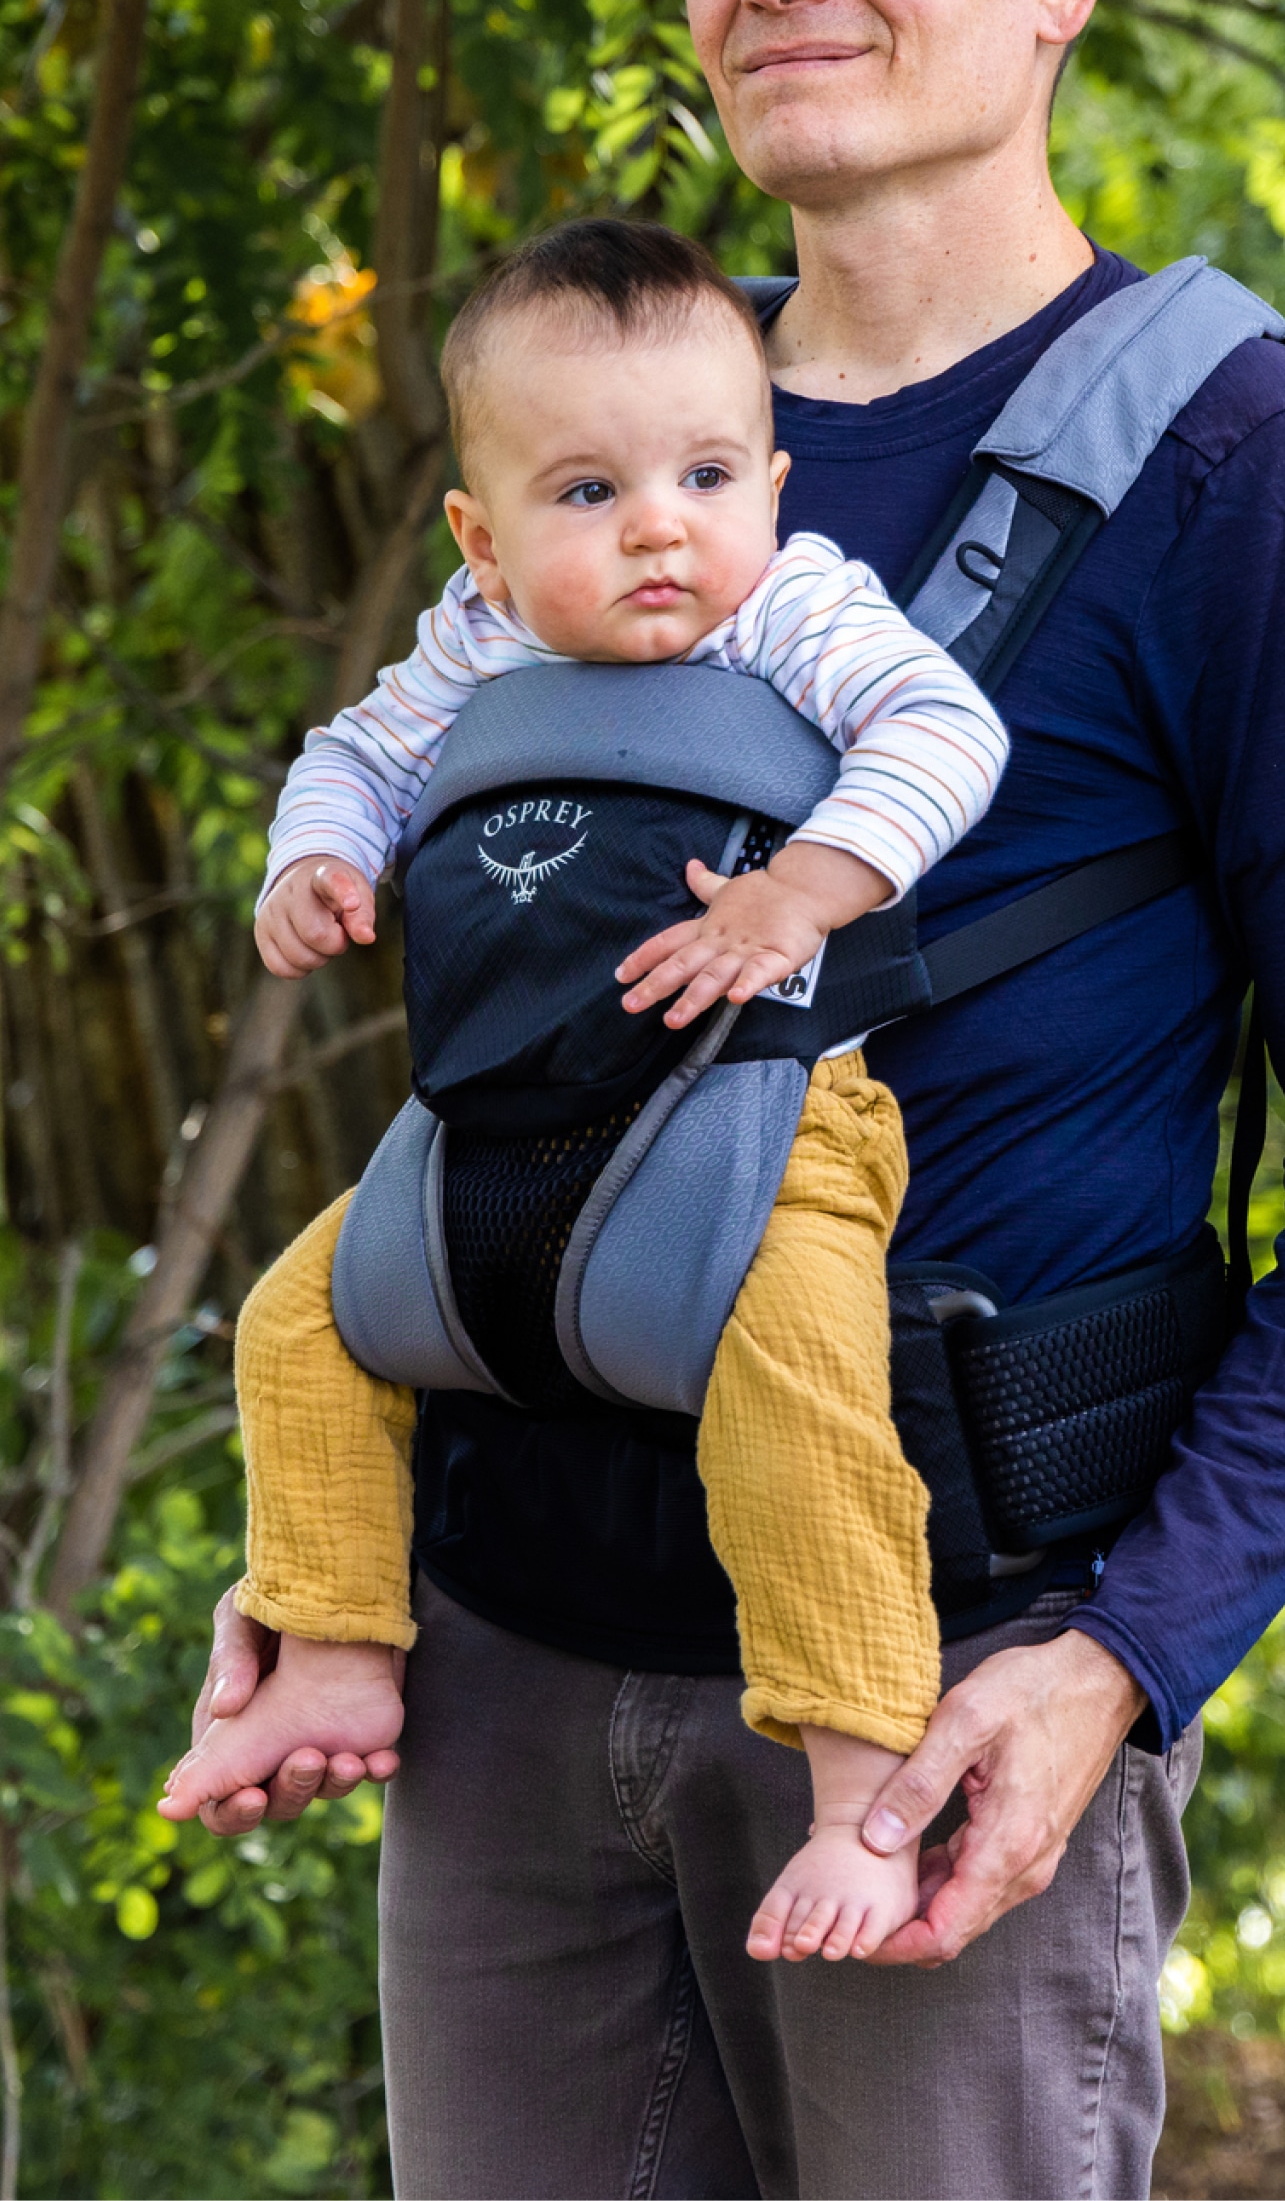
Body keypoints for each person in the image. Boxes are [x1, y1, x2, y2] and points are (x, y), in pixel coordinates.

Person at [178, 0, 1285, 2201]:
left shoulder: (1249, 473)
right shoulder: (610, 427)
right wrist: (327, 1557)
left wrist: (1120, 1665)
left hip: (938, 1698)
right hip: (503, 1670)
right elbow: (504, 1001)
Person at [159, 215, 1012, 1967]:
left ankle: (862, 1787)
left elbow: (947, 734)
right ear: (481, 536)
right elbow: (353, 755)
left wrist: (802, 893)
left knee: (801, 1403)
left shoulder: (791, 608)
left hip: (767, 1124)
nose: (657, 529)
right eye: (586, 493)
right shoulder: (478, 646)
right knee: (296, 1326)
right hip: (503, 1134)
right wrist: (311, 867)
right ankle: (330, 1644)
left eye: (707, 472)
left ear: (772, 480)